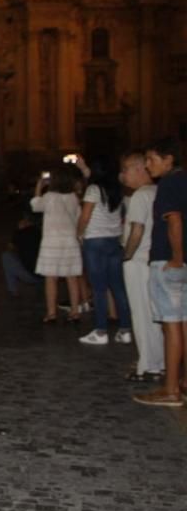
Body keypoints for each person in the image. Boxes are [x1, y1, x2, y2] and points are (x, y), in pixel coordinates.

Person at [135, 138, 187, 406]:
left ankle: (170, 390)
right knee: (184, 323)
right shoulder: (184, 180)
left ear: (168, 160)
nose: (147, 165)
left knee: (171, 325)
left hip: (168, 261)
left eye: (151, 159)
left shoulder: (168, 184)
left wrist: (176, 257)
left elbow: (174, 219)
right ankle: (184, 382)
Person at [76, 157, 132, 345]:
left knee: (99, 288)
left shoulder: (93, 190)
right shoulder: (118, 190)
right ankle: (125, 330)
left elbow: (85, 215)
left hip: (95, 241)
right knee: (117, 286)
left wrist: (79, 234)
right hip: (114, 240)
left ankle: (101, 331)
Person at [120, 151, 164, 381]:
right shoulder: (157, 192)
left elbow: (137, 230)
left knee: (141, 315)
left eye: (126, 169)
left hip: (138, 262)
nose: (123, 175)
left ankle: (149, 366)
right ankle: (160, 361)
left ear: (139, 169)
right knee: (155, 315)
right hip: (153, 260)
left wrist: (126, 256)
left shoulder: (139, 196)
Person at [30, 167, 83, 323]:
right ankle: (75, 312)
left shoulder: (50, 196)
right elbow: (78, 217)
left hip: (51, 242)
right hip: (70, 241)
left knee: (51, 278)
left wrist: (39, 187)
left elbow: (35, 206)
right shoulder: (74, 198)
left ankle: (51, 313)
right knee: (71, 277)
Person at [1, 212, 42, 296]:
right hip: (46, 275)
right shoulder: (41, 232)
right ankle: (40, 286)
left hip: (30, 275)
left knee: (6, 256)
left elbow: (9, 248)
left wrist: (18, 230)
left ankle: (12, 290)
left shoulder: (21, 233)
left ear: (26, 220)